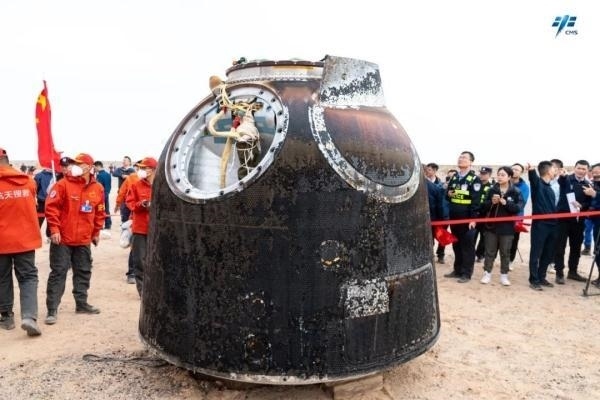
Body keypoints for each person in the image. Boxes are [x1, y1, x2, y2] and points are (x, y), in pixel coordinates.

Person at [44, 153, 105, 325]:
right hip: (62, 239)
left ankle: (81, 304)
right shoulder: (62, 184)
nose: (75, 166)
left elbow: (99, 212)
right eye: (74, 163)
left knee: (83, 271)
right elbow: (51, 208)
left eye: (79, 163)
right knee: (58, 272)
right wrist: (54, 229)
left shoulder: (97, 188)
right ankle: (52, 309)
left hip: (84, 239)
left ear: (89, 167)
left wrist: (96, 232)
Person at [0, 147, 43, 336]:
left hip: (2, 241)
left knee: (2, 277)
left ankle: (7, 317)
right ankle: (29, 316)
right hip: (25, 239)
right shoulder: (28, 182)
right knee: (28, 277)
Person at [479, 166, 523, 286]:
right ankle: (487, 273)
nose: (500, 177)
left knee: (505, 252)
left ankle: (504, 275)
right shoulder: (491, 190)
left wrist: (506, 203)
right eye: (498, 174)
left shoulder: (515, 191)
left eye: (503, 175)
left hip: (507, 228)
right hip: (491, 227)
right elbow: (482, 207)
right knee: (489, 251)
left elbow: (518, 208)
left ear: (509, 177)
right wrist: (491, 203)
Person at [553, 160, 594, 284]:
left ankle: (573, 272)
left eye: (584, 169)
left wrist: (582, 205)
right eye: (579, 168)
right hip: (563, 219)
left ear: (587, 170)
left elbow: (589, 203)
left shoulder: (588, 184)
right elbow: (561, 182)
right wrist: (563, 176)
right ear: (575, 168)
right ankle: (559, 273)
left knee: (576, 247)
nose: (581, 171)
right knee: (560, 247)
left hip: (579, 221)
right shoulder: (567, 179)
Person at [444, 151, 482, 283]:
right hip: (454, 217)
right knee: (456, 244)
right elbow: (447, 195)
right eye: (460, 157)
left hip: (467, 218)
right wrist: (448, 194)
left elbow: (476, 201)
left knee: (467, 246)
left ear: (471, 162)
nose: (461, 159)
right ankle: (457, 270)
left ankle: (466, 273)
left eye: (464, 157)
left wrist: (473, 219)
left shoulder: (474, 179)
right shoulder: (454, 177)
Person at [126, 157, 157, 296]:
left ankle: (156, 291)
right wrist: (142, 204)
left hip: (157, 230)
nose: (141, 170)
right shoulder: (136, 185)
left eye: (144, 168)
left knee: (156, 261)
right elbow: (130, 203)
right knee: (140, 261)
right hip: (140, 229)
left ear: (153, 170)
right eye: (140, 168)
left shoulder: (161, 186)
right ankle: (143, 292)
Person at [527, 161, 559, 291]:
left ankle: (541, 277)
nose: (555, 171)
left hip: (553, 224)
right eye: (553, 169)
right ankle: (534, 279)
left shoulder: (550, 187)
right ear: (548, 171)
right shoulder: (538, 184)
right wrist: (531, 171)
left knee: (548, 252)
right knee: (536, 252)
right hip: (540, 225)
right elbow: (533, 179)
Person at [509, 163, 530, 269]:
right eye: (512, 169)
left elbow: (521, 202)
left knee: (513, 240)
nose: (514, 171)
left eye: (517, 170)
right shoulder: (504, 182)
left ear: (521, 172)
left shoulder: (524, 187)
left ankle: (510, 261)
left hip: (516, 217)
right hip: (501, 215)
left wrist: (507, 203)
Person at [474, 166, 494, 262]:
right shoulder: (475, 185)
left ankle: (480, 254)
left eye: (484, 174)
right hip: (474, 215)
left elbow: (491, 202)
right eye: (481, 173)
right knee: (472, 235)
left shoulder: (492, 187)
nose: (481, 175)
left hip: (485, 216)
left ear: (489, 175)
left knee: (484, 237)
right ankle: (471, 253)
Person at [112, 156, 136, 223]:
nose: (124, 161)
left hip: (129, 192)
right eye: (123, 160)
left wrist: (127, 176)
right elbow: (114, 173)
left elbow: (134, 177)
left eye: (125, 160)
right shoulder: (120, 169)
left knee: (129, 207)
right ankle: (123, 221)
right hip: (121, 190)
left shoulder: (132, 170)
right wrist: (122, 175)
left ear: (129, 162)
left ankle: (129, 221)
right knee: (122, 208)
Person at [93, 161, 112, 230]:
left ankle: (100, 225)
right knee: (106, 209)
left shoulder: (99, 175)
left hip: (101, 195)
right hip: (107, 193)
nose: (94, 169)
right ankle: (108, 224)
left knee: (100, 210)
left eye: (94, 167)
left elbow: (98, 187)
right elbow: (109, 185)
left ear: (98, 166)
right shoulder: (108, 174)